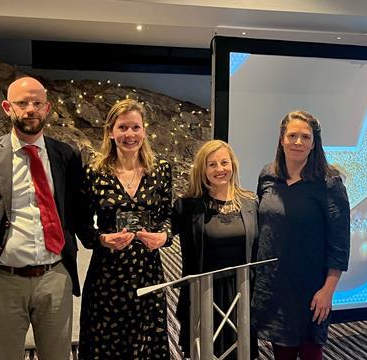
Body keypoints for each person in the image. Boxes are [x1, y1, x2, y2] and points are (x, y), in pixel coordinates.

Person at [0, 77, 83, 360]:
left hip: (54, 277)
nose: (30, 109)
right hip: (3, 280)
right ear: (6, 107)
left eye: (37, 103)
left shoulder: (67, 155)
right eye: (22, 103)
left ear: (47, 108)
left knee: (58, 355)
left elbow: (76, 211)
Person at [251, 110, 350, 360]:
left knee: (310, 352)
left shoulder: (329, 183)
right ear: (281, 139)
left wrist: (328, 290)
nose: (298, 142)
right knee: (281, 353)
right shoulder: (267, 175)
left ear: (314, 143)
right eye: (292, 135)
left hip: (310, 288)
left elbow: (339, 244)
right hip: (274, 286)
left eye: (305, 137)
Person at [77, 99, 172, 359]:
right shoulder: (93, 173)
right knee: (106, 344)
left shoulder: (161, 170)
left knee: (145, 345)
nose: (130, 135)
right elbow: (81, 223)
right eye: (123, 128)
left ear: (144, 130)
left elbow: (167, 216)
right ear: (111, 131)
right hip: (108, 276)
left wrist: (163, 237)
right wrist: (102, 239)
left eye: (136, 127)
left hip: (148, 273)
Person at [172, 140, 259, 359]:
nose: (220, 169)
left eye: (224, 162)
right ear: (203, 169)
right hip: (206, 292)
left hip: (242, 291)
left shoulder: (251, 203)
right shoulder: (188, 206)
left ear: (233, 165)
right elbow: (164, 235)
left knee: (242, 351)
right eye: (212, 164)